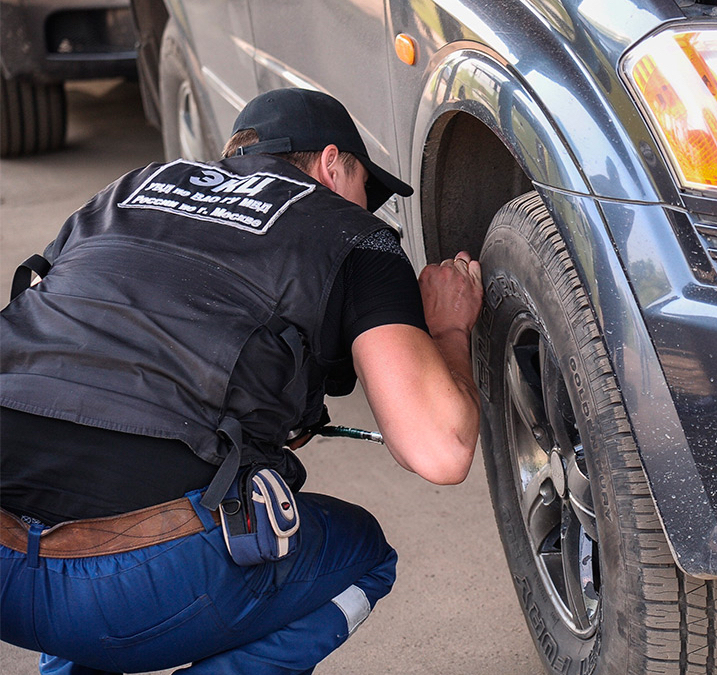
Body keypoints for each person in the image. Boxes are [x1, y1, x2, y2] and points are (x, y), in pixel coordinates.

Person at [0, 88, 483, 674]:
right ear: (332, 164)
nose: (368, 210)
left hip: (7, 574)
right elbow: (441, 450)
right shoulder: (352, 233)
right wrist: (448, 330)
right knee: (362, 558)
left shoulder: (129, 192)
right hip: (149, 581)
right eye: (366, 192)